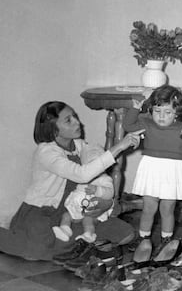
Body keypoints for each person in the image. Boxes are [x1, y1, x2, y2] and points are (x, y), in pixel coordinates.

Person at [0, 101, 142, 261]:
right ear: (53, 129)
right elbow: (82, 175)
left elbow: (97, 166)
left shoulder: (81, 146)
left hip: (74, 210)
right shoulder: (46, 152)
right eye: (68, 120)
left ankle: (79, 241)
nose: (77, 122)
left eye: (74, 116)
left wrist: (105, 203)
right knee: (36, 251)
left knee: (125, 232)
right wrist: (119, 147)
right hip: (43, 213)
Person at [123, 85, 182, 258]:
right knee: (148, 207)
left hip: (173, 171)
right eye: (157, 111)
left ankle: (166, 240)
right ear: (151, 110)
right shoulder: (146, 123)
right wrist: (135, 108)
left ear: (177, 113)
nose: (161, 116)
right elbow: (128, 125)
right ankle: (144, 238)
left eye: (167, 112)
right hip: (151, 168)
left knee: (168, 208)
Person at [53, 144, 115, 243]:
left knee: (88, 220)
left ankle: (88, 234)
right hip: (78, 207)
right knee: (66, 215)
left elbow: (110, 193)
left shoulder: (105, 179)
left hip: (93, 209)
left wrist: (97, 190)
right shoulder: (83, 176)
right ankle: (65, 230)